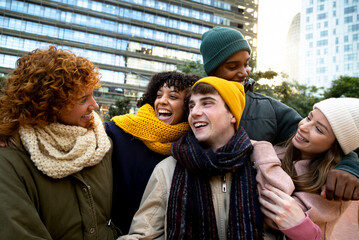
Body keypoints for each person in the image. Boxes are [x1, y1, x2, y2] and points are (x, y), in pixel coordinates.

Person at [200, 26, 359, 201]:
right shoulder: (191, 107)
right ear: (212, 71)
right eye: (233, 66)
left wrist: (349, 168)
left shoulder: (269, 109)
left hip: (251, 209)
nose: (244, 72)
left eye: (246, 64)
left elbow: (329, 137)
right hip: (201, 200)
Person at [119, 76, 263, 239]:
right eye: (191, 106)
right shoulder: (167, 170)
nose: (194, 112)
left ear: (233, 114)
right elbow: (143, 235)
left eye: (207, 103)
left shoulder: (260, 164)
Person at [0, 46, 118, 239]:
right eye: (83, 99)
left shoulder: (102, 144)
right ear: (48, 105)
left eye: (92, 94)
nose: (95, 105)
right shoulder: (10, 158)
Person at [252, 97, 359, 239]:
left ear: (336, 146)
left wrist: (261, 148)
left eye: (319, 129)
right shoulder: (280, 150)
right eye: (309, 118)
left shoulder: (330, 186)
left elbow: (274, 216)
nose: (303, 126)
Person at [105, 71, 199, 233]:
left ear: (188, 106)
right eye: (158, 95)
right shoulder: (119, 131)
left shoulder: (191, 146)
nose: (162, 101)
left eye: (173, 97)